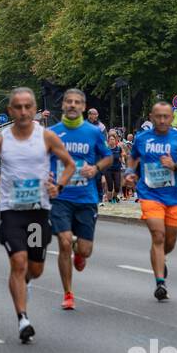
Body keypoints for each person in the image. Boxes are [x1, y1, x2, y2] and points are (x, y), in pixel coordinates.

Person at [0, 87, 75, 343]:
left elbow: (69, 165)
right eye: (17, 107)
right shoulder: (0, 139)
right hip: (11, 211)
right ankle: (23, 318)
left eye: (27, 106)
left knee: (35, 268)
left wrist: (59, 185)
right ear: (10, 111)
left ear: (34, 110)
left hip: (38, 211)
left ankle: (26, 282)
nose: (22, 111)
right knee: (18, 262)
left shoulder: (47, 137)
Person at [127, 102, 177, 301]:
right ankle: (160, 283)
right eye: (158, 116)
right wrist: (129, 172)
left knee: (170, 241)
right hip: (149, 194)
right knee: (158, 235)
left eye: (166, 116)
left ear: (171, 117)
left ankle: (160, 258)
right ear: (151, 116)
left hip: (173, 197)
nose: (162, 120)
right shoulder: (142, 139)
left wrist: (174, 166)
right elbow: (132, 158)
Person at [48, 88, 111, 310]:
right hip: (60, 196)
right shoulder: (52, 133)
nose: (73, 105)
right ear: (63, 105)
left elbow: (108, 157)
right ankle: (68, 293)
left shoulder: (93, 132)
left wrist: (95, 168)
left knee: (85, 250)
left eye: (77, 102)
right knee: (63, 242)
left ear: (84, 107)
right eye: (69, 102)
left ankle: (79, 250)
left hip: (86, 197)